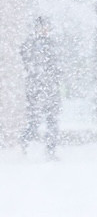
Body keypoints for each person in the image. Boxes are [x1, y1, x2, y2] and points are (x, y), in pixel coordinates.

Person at [20, 16, 61, 159]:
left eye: (46, 27)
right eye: (42, 27)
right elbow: (30, 66)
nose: (45, 29)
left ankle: (50, 150)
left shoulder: (51, 44)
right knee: (34, 120)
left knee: (52, 121)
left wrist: (56, 77)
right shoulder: (30, 44)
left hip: (51, 89)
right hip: (36, 89)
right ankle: (25, 145)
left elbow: (56, 65)